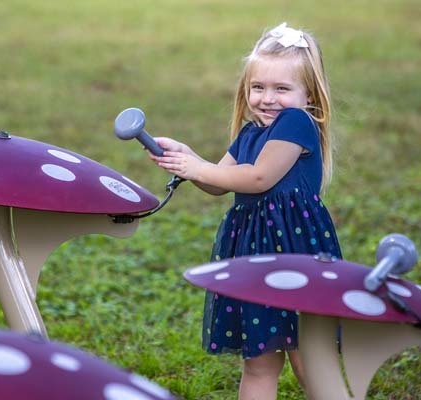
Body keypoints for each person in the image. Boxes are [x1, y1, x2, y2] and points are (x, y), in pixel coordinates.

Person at [148, 22, 343, 399]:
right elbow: (219, 182)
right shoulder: (251, 132)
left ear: (308, 94)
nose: (267, 98)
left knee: (308, 356)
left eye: (282, 89)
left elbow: (258, 178)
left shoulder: (297, 122)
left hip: (296, 250)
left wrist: (198, 168)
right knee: (259, 360)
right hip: (256, 251)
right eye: (258, 87)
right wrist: (187, 158)